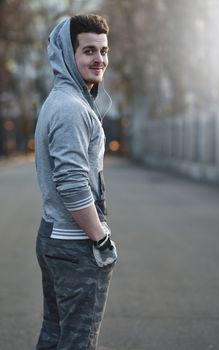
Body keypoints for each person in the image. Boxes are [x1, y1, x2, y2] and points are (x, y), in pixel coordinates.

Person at [34, 14, 117, 350]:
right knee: (77, 342)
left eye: (104, 50)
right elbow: (71, 184)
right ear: (69, 55)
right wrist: (100, 239)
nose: (99, 59)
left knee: (55, 337)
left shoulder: (64, 100)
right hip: (76, 244)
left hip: (56, 236)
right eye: (88, 50)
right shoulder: (71, 109)